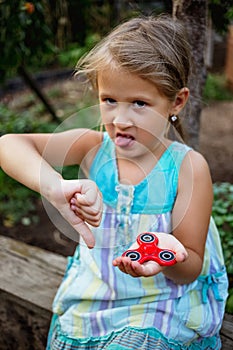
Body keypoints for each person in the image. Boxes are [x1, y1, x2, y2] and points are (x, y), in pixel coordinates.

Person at [0, 15, 228, 350]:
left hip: (160, 307)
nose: (120, 119)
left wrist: (170, 257)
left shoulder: (188, 168)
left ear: (176, 102)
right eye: (109, 100)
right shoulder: (92, 149)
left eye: (139, 103)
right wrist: (53, 185)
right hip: (94, 299)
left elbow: (190, 267)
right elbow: (9, 144)